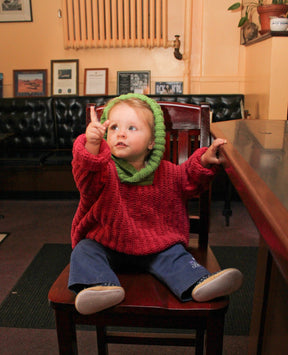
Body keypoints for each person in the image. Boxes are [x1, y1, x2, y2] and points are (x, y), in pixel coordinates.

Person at [68, 93, 243, 315]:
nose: (120, 133)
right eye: (113, 128)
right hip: (107, 244)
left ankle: (198, 283)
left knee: (176, 255)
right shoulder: (102, 171)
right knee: (84, 250)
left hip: (155, 247)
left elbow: (189, 178)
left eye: (132, 128)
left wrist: (203, 160)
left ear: (152, 141)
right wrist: (92, 144)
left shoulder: (168, 172)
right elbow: (86, 174)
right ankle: (99, 287)